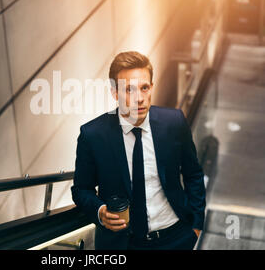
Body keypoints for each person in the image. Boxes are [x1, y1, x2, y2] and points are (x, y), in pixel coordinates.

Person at [71, 51, 206, 250]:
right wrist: (100, 211)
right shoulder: (93, 135)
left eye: (144, 88)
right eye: (129, 90)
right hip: (123, 244)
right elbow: (81, 189)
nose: (140, 98)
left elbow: (193, 173)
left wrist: (196, 225)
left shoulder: (174, 122)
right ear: (115, 92)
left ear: (152, 87)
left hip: (175, 237)